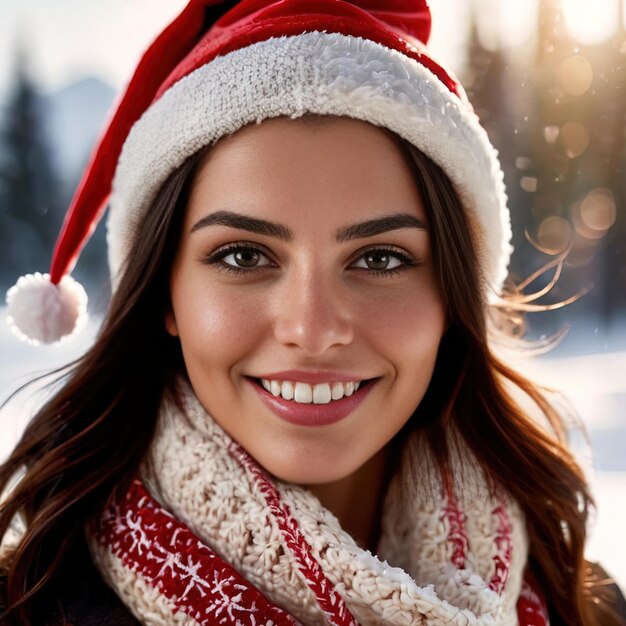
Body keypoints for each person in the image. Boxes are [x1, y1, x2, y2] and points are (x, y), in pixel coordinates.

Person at [0, 1, 624, 625]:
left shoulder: (578, 599)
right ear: (166, 292)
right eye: (244, 255)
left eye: (379, 260)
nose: (312, 328)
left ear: (451, 298)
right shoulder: (27, 601)